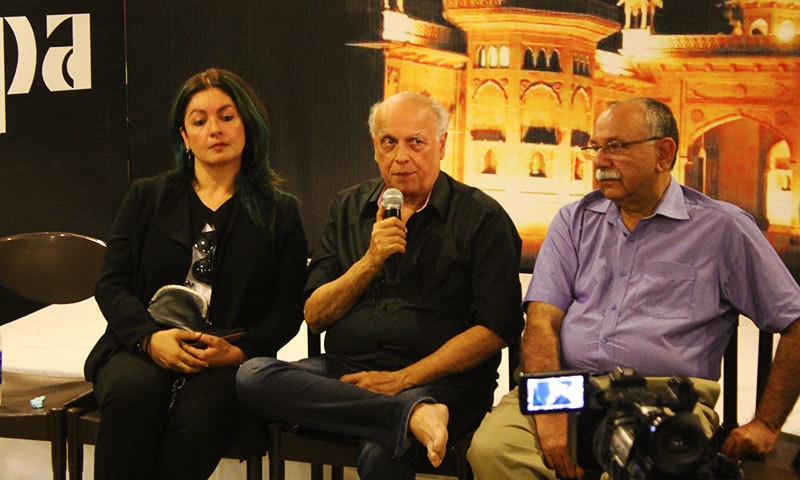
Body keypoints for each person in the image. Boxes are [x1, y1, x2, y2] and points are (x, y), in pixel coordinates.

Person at [467, 97, 800, 479]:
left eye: (616, 147)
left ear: (664, 153)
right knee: (494, 449)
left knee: (644, 469)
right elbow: (541, 323)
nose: (599, 160)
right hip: (571, 388)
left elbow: (796, 321)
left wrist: (767, 424)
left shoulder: (722, 229)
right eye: (596, 147)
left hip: (668, 398)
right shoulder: (574, 221)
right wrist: (549, 411)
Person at [236, 91, 523, 479]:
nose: (401, 156)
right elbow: (315, 315)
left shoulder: (483, 218)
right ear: (375, 148)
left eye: (416, 143)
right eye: (389, 142)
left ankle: (405, 411)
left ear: (441, 145)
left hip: (441, 383)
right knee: (253, 376)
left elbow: (494, 330)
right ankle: (408, 416)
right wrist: (369, 262)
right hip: (345, 372)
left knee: (381, 450)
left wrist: (404, 380)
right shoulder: (348, 207)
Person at [84, 68, 308, 479]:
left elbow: (287, 309)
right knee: (135, 390)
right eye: (199, 121)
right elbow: (111, 284)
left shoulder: (282, 211)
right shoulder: (146, 197)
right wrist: (149, 338)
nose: (215, 130)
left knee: (204, 410)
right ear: (184, 138)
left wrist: (240, 351)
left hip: (225, 357)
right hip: (141, 342)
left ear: (248, 126)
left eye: (227, 116)